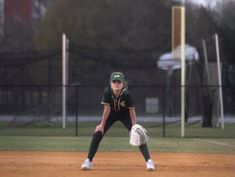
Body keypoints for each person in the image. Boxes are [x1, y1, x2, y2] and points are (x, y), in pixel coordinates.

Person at [81, 72, 155, 171]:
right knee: (98, 132)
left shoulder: (127, 94)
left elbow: (132, 110)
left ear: (122, 84)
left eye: (119, 82)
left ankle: (149, 162)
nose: (116, 84)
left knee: (138, 134)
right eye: (114, 81)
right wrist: (102, 125)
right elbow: (107, 109)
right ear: (110, 83)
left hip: (125, 114)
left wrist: (134, 126)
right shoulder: (107, 92)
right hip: (111, 114)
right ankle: (88, 161)